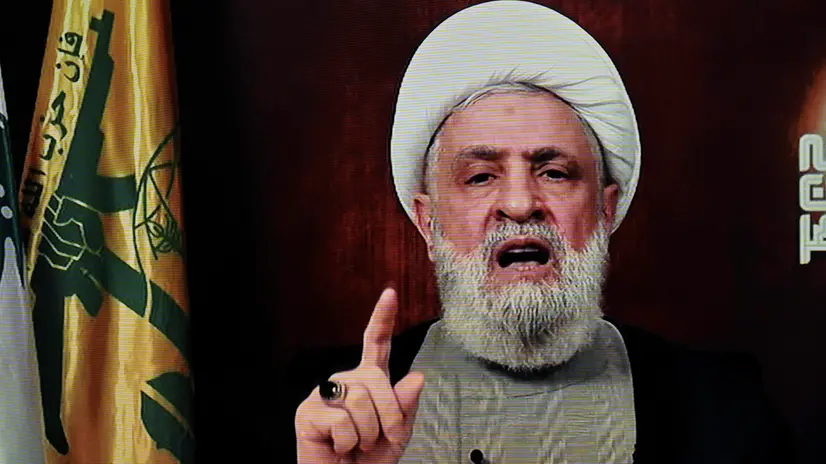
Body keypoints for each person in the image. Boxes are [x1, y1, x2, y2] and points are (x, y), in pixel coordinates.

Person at [286, 1, 792, 462]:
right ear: (428, 222)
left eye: (554, 173)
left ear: (605, 210)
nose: (520, 204)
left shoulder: (724, 411)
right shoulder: (320, 412)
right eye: (480, 177)